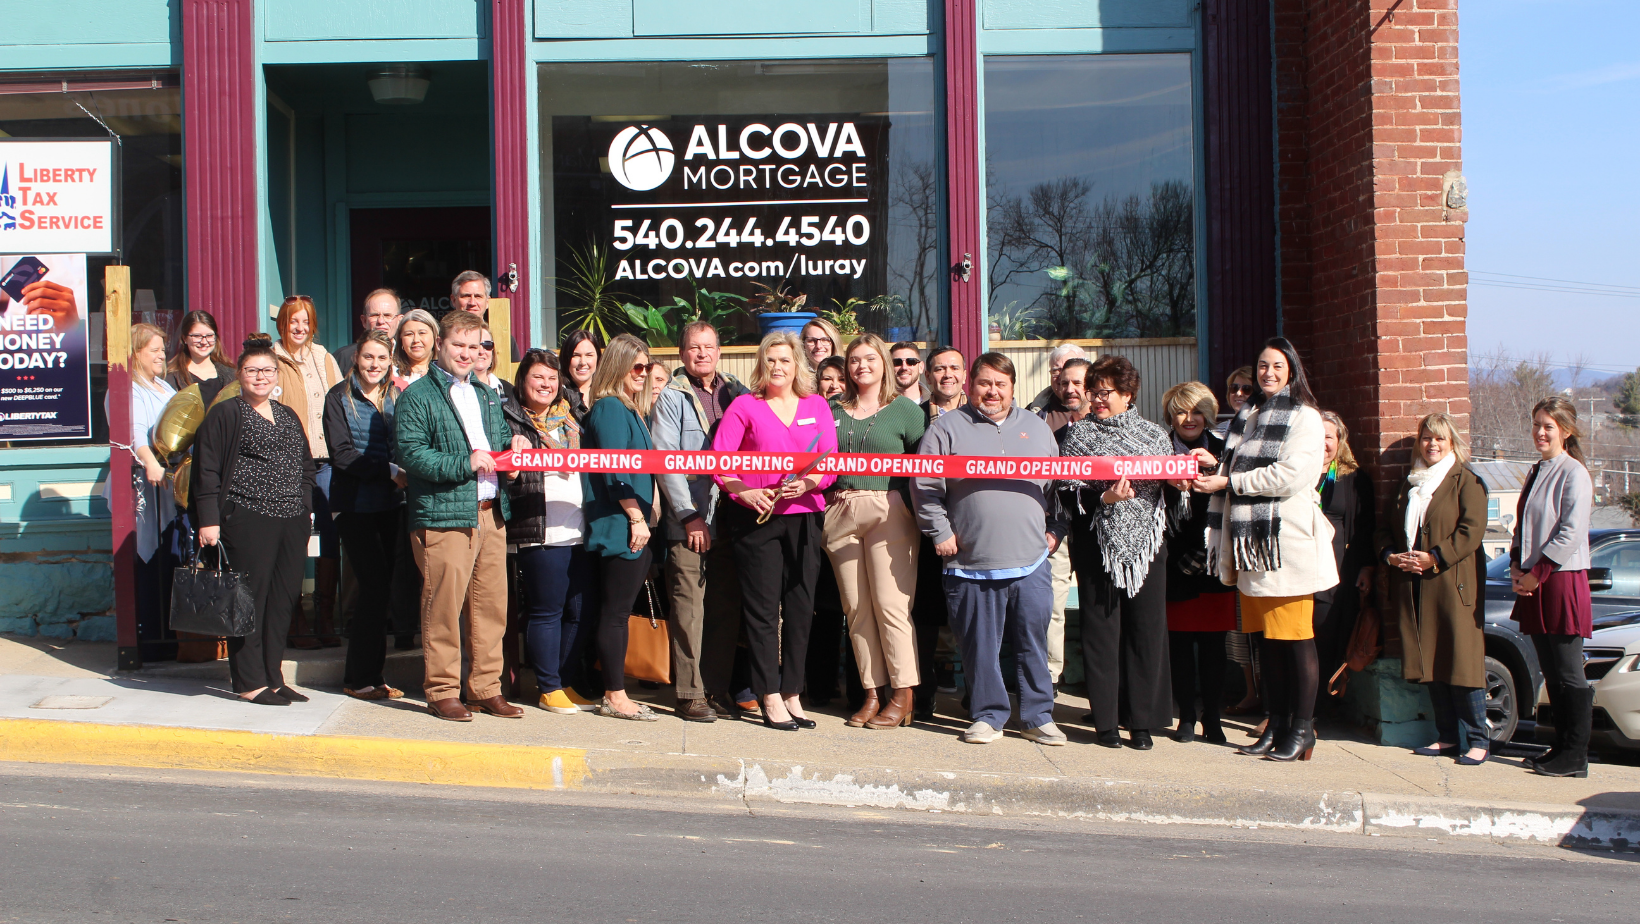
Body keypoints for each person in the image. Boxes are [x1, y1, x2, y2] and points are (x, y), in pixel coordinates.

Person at [913, 352, 1066, 746]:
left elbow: (1056, 489)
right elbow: (925, 488)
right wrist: (939, 532)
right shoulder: (946, 428)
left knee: (1033, 641)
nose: (992, 391)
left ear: (1013, 388)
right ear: (971, 385)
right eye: (984, 383)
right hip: (970, 562)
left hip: (1031, 560)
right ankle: (988, 714)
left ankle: (1037, 716)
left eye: (1000, 384)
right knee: (979, 646)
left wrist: (1054, 531)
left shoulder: (1036, 427)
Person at [1198, 338, 1337, 763]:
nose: (1268, 373)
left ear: (1292, 370)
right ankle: (1276, 726)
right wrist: (1216, 463)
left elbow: (1291, 475)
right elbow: (1239, 463)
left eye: (1277, 366)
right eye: (1262, 365)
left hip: (1284, 546)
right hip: (1251, 548)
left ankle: (1303, 730)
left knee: (1296, 642)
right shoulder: (1248, 415)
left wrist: (1229, 482)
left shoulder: (1306, 417)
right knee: (1267, 645)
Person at [395, 310, 523, 722]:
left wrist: (513, 449)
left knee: (490, 608)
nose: (468, 354)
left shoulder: (487, 394)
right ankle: (442, 690)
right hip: (443, 515)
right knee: (444, 608)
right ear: (439, 345)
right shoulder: (418, 395)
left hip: (490, 512)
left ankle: (485, 687)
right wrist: (464, 463)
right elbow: (412, 455)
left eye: (476, 346)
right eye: (459, 346)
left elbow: (499, 442)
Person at [713, 332, 839, 730]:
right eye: (771, 361)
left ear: (797, 364)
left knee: (802, 606)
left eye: (785, 360)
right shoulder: (744, 406)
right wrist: (745, 493)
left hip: (805, 514)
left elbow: (829, 460)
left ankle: (792, 692)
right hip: (758, 518)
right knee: (763, 609)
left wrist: (809, 483)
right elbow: (721, 464)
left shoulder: (816, 405)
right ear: (761, 365)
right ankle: (767, 692)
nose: (778, 368)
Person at [1058, 355, 1177, 750]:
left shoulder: (1155, 436)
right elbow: (1065, 492)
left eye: (1104, 392)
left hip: (1146, 545)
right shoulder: (1078, 437)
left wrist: (1185, 480)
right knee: (1101, 632)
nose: (1096, 399)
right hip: (1097, 544)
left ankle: (1140, 722)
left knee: (1145, 631)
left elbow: (1171, 493)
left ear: (1128, 394)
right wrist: (1102, 497)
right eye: (1093, 392)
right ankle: (1106, 723)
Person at [193, 334, 316, 706]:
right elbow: (207, 470)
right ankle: (248, 681)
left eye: (267, 370)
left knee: (282, 601)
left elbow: (305, 466)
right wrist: (208, 520)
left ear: (277, 374)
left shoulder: (287, 414)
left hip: (291, 519)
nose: (260, 376)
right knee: (249, 601)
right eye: (252, 370)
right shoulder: (226, 413)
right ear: (239, 374)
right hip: (247, 518)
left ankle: (272, 676)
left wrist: (306, 506)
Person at [824, 333, 927, 730]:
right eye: (854, 360)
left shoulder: (906, 410)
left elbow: (926, 467)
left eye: (870, 358)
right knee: (856, 607)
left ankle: (903, 694)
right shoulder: (832, 409)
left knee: (890, 605)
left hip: (889, 508)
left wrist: (910, 505)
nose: (861, 365)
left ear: (883, 362)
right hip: (840, 509)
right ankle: (872, 692)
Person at [652, 322, 751, 722]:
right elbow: (666, 461)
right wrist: (690, 517)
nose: (702, 354)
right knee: (689, 608)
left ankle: (716, 689)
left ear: (719, 350)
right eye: (694, 348)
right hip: (691, 518)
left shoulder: (736, 392)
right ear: (682, 353)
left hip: (732, 516)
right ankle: (689, 693)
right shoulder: (672, 398)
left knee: (725, 608)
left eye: (709, 347)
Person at [1378, 413, 1488, 765]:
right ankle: (1447, 737)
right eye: (1426, 438)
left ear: (1452, 442)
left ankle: (1478, 740)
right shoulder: (1408, 485)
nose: (1432, 444)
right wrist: (1391, 557)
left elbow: (1471, 531)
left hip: (1452, 585)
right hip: (1414, 586)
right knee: (1431, 663)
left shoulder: (1465, 482)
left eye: (1439, 438)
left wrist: (1435, 557)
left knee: (1461, 663)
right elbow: (1384, 530)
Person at [504, 348, 598, 715]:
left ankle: (565, 681)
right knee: (547, 611)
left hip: (579, 527)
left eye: (551, 377)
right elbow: (507, 474)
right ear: (523, 382)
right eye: (537, 378)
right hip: (540, 529)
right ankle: (547, 687)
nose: (545, 384)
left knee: (580, 611)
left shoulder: (572, 416)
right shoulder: (511, 419)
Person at [1511, 396, 1595, 778]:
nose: (1540, 433)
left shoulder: (1573, 472)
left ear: (1566, 431)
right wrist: (1515, 564)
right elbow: (1523, 528)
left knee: (1567, 670)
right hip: (1533, 580)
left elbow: (1570, 533)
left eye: (1548, 426)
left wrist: (1537, 573)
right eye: (1537, 425)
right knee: (1549, 668)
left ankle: (1575, 754)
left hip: (1560, 580)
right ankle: (1559, 745)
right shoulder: (1537, 470)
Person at [323, 329, 408, 701]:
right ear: (357, 358)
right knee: (372, 589)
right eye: (368, 357)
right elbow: (342, 455)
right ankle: (358, 678)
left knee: (382, 592)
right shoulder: (338, 397)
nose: (375, 364)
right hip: (355, 505)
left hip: (392, 505)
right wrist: (389, 470)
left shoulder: (397, 395)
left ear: (391, 361)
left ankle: (373, 676)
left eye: (382, 358)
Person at [582, 333, 663, 720]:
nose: (643, 373)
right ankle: (614, 695)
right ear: (617, 366)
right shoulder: (611, 409)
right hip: (621, 525)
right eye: (636, 366)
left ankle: (616, 691)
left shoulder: (631, 410)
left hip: (634, 523)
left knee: (618, 610)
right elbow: (615, 470)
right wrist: (635, 516)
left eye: (647, 367)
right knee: (615, 613)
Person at [1161, 382, 1235, 744]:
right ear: (1169, 416)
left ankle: (1214, 718)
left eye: (1196, 411)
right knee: (1179, 646)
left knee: (1212, 646)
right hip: (1174, 559)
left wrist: (1217, 470)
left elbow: (1242, 489)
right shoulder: (1159, 450)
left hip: (1213, 559)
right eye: (1180, 411)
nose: (1188, 419)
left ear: (1208, 414)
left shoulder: (1225, 449)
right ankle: (1186, 717)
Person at [272, 295, 344, 650]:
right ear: (282, 324)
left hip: (326, 459)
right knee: (293, 536)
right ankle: (294, 618)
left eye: (305, 321)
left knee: (329, 535)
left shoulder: (324, 357)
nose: (298, 328)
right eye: (292, 321)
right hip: (289, 461)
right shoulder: (271, 358)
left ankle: (326, 617)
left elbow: (339, 402)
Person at [116, 324, 179, 650]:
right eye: (153, 349)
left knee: (169, 554)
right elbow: (134, 432)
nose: (161, 354)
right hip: (144, 487)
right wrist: (149, 461)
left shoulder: (163, 388)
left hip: (168, 488)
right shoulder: (128, 389)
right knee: (148, 557)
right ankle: (150, 639)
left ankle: (169, 635)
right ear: (135, 352)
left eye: (162, 348)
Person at [911, 346, 965, 719]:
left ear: (965, 374)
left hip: (974, 528)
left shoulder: (985, 416)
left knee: (975, 615)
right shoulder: (913, 418)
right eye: (939, 369)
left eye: (954, 368)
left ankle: (978, 696)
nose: (947, 375)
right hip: (926, 530)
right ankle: (923, 694)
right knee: (926, 616)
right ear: (927, 376)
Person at [1315, 410, 1376, 707]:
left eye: (1328, 436)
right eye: (1315, 436)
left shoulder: (1352, 479)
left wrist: (1366, 567)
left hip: (1335, 575)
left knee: (1323, 640)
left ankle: (1312, 713)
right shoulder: (1297, 472)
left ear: (1340, 440)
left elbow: (1365, 529)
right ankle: (1283, 711)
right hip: (1299, 571)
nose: (1322, 443)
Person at [1039, 356, 1092, 685]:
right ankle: (1050, 678)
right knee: (1053, 607)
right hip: (1054, 524)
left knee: (1096, 608)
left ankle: (1098, 683)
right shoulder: (1039, 418)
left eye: (1078, 383)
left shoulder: (1108, 420)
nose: (1069, 388)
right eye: (1062, 381)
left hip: (1096, 527)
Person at [1219, 364, 1262, 716]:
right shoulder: (1225, 430)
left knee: (1265, 631)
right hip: (1230, 541)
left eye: (1246, 389)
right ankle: (1251, 692)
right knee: (1240, 629)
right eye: (1234, 388)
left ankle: (1273, 703)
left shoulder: (1261, 427)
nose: (1238, 394)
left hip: (1257, 538)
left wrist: (1222, 480)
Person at [165, 310, 234, 402]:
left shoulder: (231, 374)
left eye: (209, 335)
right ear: (184, 338)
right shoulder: (172, 377)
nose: (204, 342)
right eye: (197, 336)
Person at [333, 288, 403, 374]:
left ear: (399, 321)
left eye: (387, 315)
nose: (381, 321)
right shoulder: (344, 357)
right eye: (375, 315)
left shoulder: (408, 356)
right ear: (364, 321)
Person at [1027, 343, 1088, 414]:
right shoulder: (1035, 412)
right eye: (1056, 370)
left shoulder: (1100, 412)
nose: (1062, 377)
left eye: (1068, 369)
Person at [471, 327, 517, 410]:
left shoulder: (508, 390)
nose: (481, 351)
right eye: (475, 345)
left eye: (487, 345)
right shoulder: (454, 389)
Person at [561, 329, 600, 424]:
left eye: (589, 355)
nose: (582, 362)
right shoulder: (557, 394)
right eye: (576, 355)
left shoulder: (609, 392)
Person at [394, 308, 438, 388]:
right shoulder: (391, 374)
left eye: (422, 333)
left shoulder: (447, 373)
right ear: (401, 339)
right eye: (409, 334)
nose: (416, 340)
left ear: (434, 336)